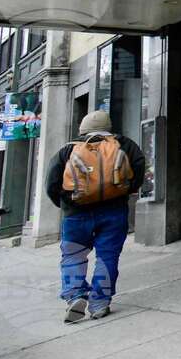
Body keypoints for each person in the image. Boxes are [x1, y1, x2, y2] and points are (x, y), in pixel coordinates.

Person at [46, 109, 144, 322]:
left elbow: (52, 184)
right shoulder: (125, 145)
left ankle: (74, 295)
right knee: (107, 256)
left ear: (83, 129)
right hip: (114, 211)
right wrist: (121, 194)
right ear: (109, 127)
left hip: (76, 214)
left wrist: (65, 205)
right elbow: (138, 174)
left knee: (73, 256)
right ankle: (100, 302)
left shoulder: (68, 150)